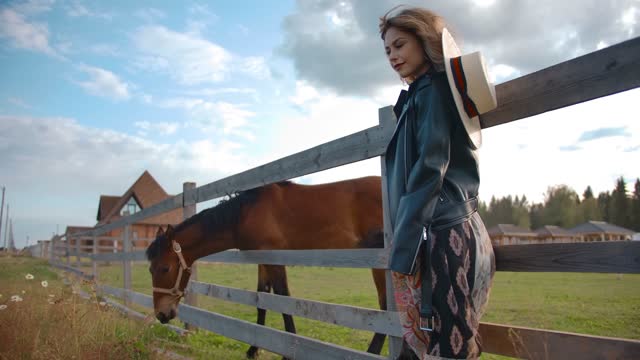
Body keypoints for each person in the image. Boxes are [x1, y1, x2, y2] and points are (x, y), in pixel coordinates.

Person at [380, 6, 497, 359]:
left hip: (441, 232)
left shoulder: (431, 91)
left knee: (448, 347)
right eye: (387, 50)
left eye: (400, 45)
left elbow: (432, 166)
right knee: (449, 343)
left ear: (424, 41)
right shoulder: (423, 93)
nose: (393, 56)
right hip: (448, 225)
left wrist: (404, 240)